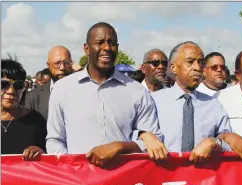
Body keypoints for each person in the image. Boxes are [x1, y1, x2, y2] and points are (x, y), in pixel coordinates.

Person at [46, 22, 165, 166]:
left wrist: (120, 147)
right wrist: (74, 170)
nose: (107, 48)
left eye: (112, 43)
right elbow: (55, 140)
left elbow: (152, 141)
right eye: (100, 42)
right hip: (78, 184)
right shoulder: (62, 89)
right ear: (86, 48)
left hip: (123, 183)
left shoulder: (137, 91)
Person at [151, 41, 242, 162]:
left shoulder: (213, 105)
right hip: (164, 177)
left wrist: (214, 142)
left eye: (200, 62)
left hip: (202, 177)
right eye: (190, 62)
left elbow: (228, 144)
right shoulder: (153, 101)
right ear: (174, 68)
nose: (197, 67)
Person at [1, 56, 47, 160]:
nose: (11, 91)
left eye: (18, 86)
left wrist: (41, 153)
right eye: (4, 84)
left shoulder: (36, 120)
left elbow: (51, 155)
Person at [25, 46, 73, 120]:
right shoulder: (33, 97)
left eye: (66, 63)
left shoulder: (83, 91)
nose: (62, 68)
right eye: (57, 63)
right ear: (48, 65)